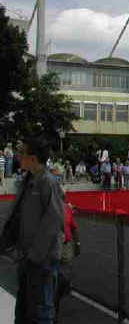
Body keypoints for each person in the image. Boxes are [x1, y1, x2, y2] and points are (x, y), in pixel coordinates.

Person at [0, 137, 64, 324]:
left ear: (33, 158)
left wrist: (35, 254)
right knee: (25, 307)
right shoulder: (29, 180)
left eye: (22, 153)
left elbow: (54, 220)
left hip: (41, 259)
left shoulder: (47, 182)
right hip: (28, 256)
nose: (18, 156)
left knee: (41, 310)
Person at [55, 190, 81, 323]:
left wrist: (77, 243)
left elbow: (74, 227)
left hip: (65, 245)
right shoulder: (51, 208)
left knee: (64, 271)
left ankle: (61, 290)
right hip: (54, 245)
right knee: (58, 272)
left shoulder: (67, 209)